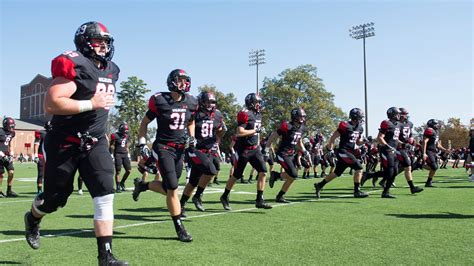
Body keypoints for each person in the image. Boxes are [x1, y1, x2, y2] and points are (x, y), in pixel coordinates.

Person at [23, 21, 127, 265]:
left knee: (104, 193)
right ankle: (33, 217)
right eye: (98, 41)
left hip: (95, 141)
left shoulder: (112, 69)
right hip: (65, 142)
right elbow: (51, 104)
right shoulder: (76, 64)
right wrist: (91, 103)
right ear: (84, 42)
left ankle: (106, 256)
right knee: (55, 199)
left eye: (106, 42)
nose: (103, 46)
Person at [132, 69, 197, 242]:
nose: (184, 84)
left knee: (170, 188)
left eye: (185, 80)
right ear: (172, 82)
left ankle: (143, 186)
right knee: (173, 188)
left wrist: (192, 137)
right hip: (163, 147)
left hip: (180, 149)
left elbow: (191, 121)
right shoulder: (160, 100)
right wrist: (142, 143)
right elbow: (144, 123)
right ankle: (179, 228)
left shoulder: (191, 101)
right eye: (180, 80)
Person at [220, 93, 272, 210]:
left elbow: (256, 132)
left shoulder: (258, 114)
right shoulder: (245, 114)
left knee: (263, 172)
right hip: (244, 150)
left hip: (255, 149)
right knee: (237, 175)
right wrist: (255, 131)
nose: (259, 105)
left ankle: (259, 199)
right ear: (251, 102)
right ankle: (225, 195)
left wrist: (258, 139)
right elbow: (240, 132)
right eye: (257, 102)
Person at [180, 91, 225, 216]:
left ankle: (182, 204)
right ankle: (198, 196)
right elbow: (187, 124)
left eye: (213, 102)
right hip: (196, 149)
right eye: (208, 101)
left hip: (209, 150)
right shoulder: (195, 113)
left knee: (193, 181)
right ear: (202, 101)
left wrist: (217, 140)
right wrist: (190, 138)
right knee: (211, 170)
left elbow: (220, 130)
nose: (211, 104)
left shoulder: (217, 114)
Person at [314, 108, 369, 199]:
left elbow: (357, 142)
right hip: (343, 151)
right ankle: (356, 191)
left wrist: (363, 142)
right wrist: (330, 149)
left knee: (337, 173)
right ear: (355, 117)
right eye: (360, 117)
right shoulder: (345, 125)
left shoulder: (360, 128)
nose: (361, 119)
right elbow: (333, 137)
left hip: (349, 152)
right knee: (359, 168)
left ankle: (319, 185)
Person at [266, 107, 310, 203]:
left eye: (303, 116)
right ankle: (276, 176)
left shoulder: (302, 128)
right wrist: (266, 148)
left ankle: (280, 195)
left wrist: (304, 151)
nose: (303, 119)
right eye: (301, 116)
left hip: (291, 154)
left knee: (292, 177)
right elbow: (273, 135)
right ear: (295, 117)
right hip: (282, 153)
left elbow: (299, 141)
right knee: (293, 174)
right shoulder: (287, 126)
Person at [395, 108, 423, 194]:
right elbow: (394, 138)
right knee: (407, 166)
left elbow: (410, 135)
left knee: (403, 167)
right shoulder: (396, 124)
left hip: (406, 148)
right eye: (405, 114)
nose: (406, 116)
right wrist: (402, 143)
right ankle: (412, 187)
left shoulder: (410, 124)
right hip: (397, 148)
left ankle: (375, 177)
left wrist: (411, 139)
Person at [422, 119, 448, 187]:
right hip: (429, 150)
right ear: (432, 124)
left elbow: (437, 145)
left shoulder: (436, 132)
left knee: (435, 167)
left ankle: (428, 182)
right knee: (434, 167)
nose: (437, 125)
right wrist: (424, 153)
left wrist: (445, 150)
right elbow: (425, 141)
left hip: (433, 151)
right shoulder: (429, 130)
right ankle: (419, 165)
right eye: (436, 124)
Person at [109, 122, 131, 192]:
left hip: (125, 154)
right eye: (124, 131)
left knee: (128, 171)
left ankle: (122, 182)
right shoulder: (114, 135)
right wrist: (111, 154)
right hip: (118, 154)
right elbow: (112, 145)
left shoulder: (126, 136)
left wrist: (128, 154)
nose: (125, 133)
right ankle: (118, 186)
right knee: (118, 171)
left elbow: (126, 145)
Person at [0, 117, 18, 198]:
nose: (12, 127)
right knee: (1, 175)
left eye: (13, 126)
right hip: (0, 155)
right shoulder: (0, 131)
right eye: (10, 126)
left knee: (11, 172)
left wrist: (11, 153)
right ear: (5, 125)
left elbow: (9, 143)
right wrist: (2, 154)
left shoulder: (12, 133)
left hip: (6, 155)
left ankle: (9, 191)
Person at [33, 121, 52, 194]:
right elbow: (36, 144)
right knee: (41, 173)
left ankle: (48, 189)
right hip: (41, 155)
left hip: (50, 155)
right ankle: (39, 190)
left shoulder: (54, 134)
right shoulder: (41, 133)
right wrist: (35, 155)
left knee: (50, 173)